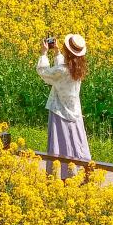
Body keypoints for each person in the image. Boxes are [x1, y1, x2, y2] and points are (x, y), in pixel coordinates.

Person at [36, 33, 91, 178]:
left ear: (67, 50)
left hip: (59, 111)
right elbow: (63, 68)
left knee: (60, 145)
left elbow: (44, 72)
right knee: (75, 143)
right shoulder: (78, 69)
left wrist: (43, 53)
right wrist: (57, 52)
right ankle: (78, 174)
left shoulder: (62, 71)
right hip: (75, 113)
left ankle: (60, 175)